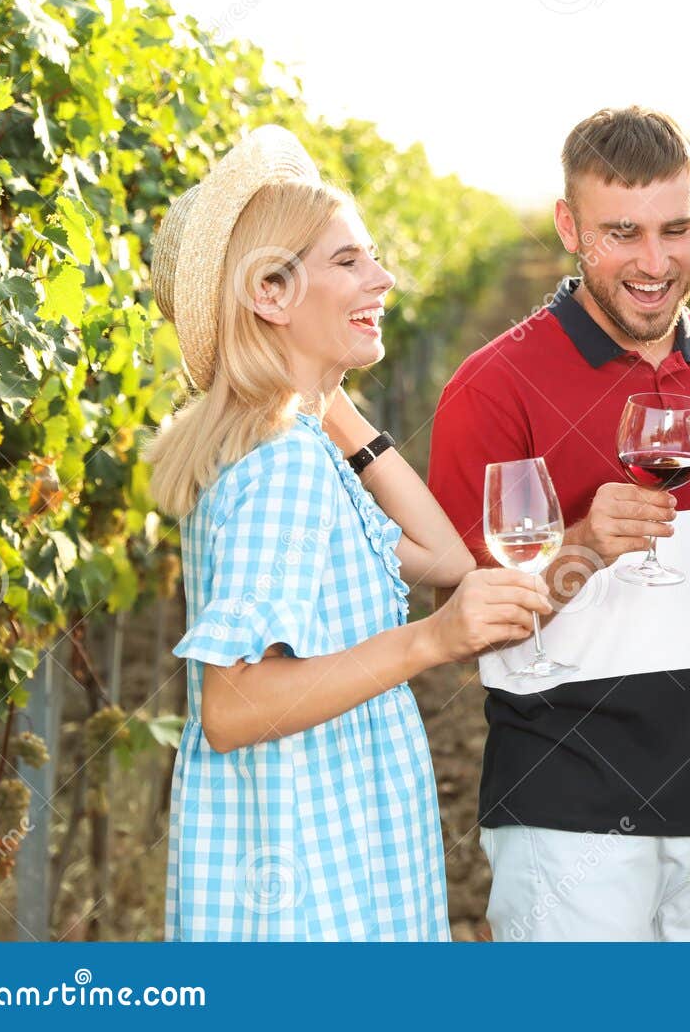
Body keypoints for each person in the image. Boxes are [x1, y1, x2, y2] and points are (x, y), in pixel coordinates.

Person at [146, 126, 551, 941]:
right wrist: (432, 639)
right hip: (309, 886)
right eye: (348, 262)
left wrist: (327, 397)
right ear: (271, 293)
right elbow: (233, 704)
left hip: (315, 844)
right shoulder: (283, 471)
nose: (384, 277)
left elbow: (438, 552)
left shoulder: (301, 451)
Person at [427, 106, 690, 941]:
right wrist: (582, 546)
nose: (655, 263)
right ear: (569, 227)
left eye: (676, 229)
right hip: (567, 813)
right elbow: (463, 625)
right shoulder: (493, 387)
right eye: (622, 232)